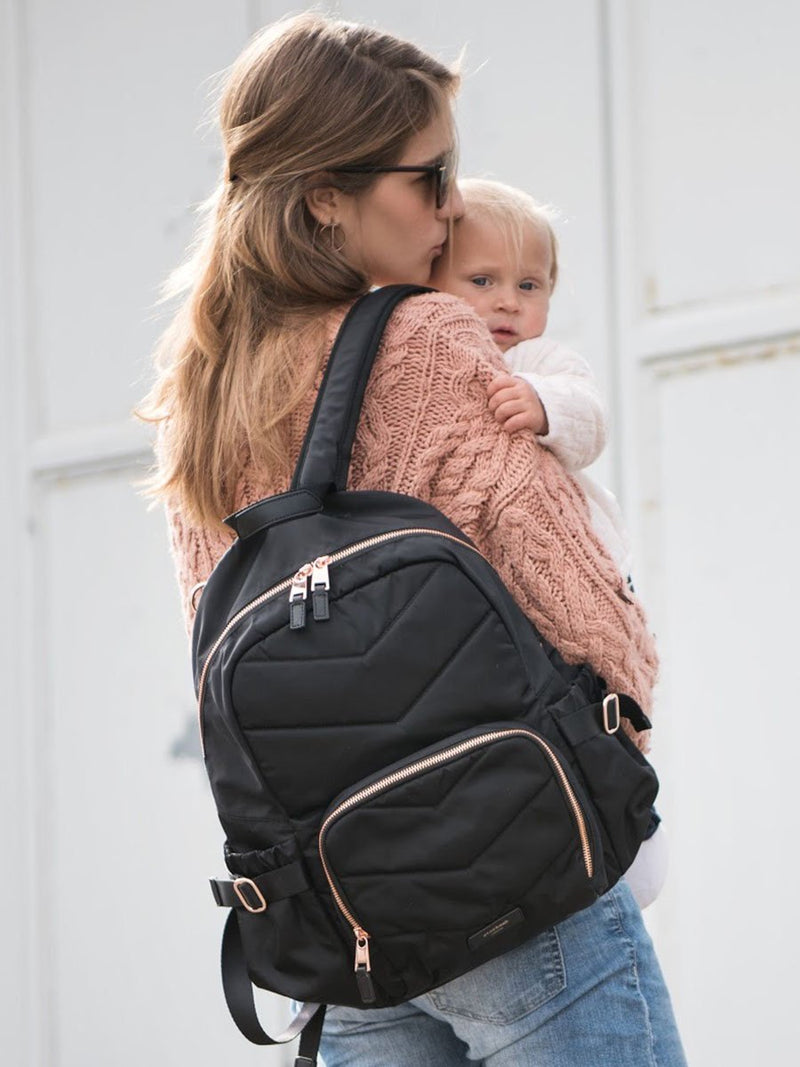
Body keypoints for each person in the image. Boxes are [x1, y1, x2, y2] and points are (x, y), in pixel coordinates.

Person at [140, 13, 686, 1066]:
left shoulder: (198, 384)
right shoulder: (424, 332)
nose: (450, 209)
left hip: (344, 930)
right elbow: (573, 596)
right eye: (426, 178)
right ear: (322, 197)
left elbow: (216, 654)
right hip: (522, 893)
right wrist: (623, 768)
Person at [431, 178, 669, 909]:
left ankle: (639, 838)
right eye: (482, 280)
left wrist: (542, 407)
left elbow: (589, 417)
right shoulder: (431, 357)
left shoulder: (543, 363)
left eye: (528, 284)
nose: (508, 301)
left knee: (608, 707)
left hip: (581, 567)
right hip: (496, 596)